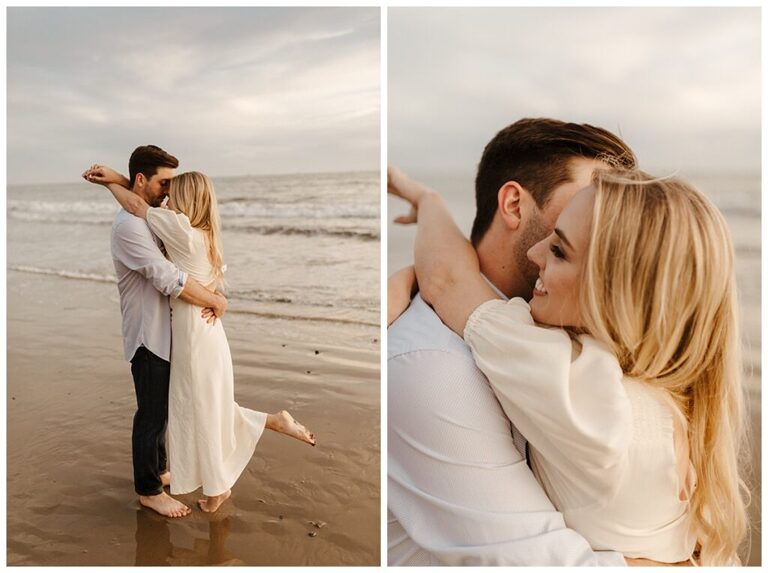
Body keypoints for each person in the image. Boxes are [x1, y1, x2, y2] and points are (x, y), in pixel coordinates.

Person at [388, 167, 748, 565]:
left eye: (559, 250)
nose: (534, 253)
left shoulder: (574, 385)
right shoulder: (674, 395)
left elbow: (448, 280)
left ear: (616, 291)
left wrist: (427, 201)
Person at [387, 118, 638, 565]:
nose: (612, 225)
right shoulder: (436, 369)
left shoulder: (580, 339)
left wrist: (426, 199)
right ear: (514, 205)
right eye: (590, 199)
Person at [83, 151, 315, 515]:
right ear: (144, 181)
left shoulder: (174, 228)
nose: (167, 194)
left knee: (189, 407)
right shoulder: (186, 232)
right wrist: (216, 300)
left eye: (173, 189)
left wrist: (114, 178)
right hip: (158, 334)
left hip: (189, 333)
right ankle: (156, 482)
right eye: (163, 184)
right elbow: (166, 273)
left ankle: (184, 480)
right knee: (168, 409)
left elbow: (165, 263)